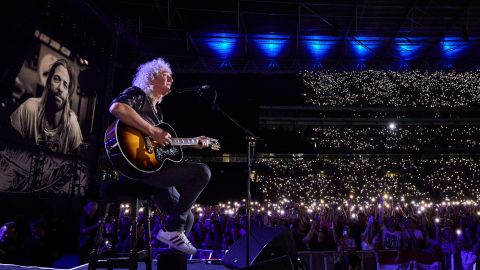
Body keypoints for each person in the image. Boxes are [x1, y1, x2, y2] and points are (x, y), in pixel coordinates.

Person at [109, 57, 211, 255]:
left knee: (188, 219)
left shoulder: (159, 114)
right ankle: (173, 229)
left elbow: (160, 150)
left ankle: (172, 254)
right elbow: (117, 108)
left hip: (152, 170)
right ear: (152, 77)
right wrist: (152, 130)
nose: (171, 80)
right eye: (167, 76)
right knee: (202, 172)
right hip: (135, 170)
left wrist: (192, 143)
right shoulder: (137, 94)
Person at [10, 59, 83, 154]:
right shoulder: (29, 107)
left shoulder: (71, 125)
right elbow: (10, 150)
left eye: (65, 85)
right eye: (57, 79)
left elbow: (78, 162)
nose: (60, 88)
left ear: (68, 93)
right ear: (48, 83)